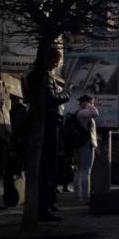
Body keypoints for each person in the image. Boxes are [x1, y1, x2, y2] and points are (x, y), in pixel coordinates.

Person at [26, 47, 70, 221]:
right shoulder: (42, 75)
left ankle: (47, 203)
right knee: (47, 167)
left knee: (51, 167)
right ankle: (43, 208)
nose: (57, 64)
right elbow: (51, 98)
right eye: (56, 60)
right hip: (48, 124)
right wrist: (66, 93)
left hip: (50, 123)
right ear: (49, 59)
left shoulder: (42, 74)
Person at [71, 95, 99, 204]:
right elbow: (96, 113)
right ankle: (85, 197)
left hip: (81, 145)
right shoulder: (83, 113)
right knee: (85, 171)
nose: (93, 105)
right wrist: (88, 105)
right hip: (85, 145)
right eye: (91, 103)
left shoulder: (79, 113)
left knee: (80, 171)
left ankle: (78, 196)